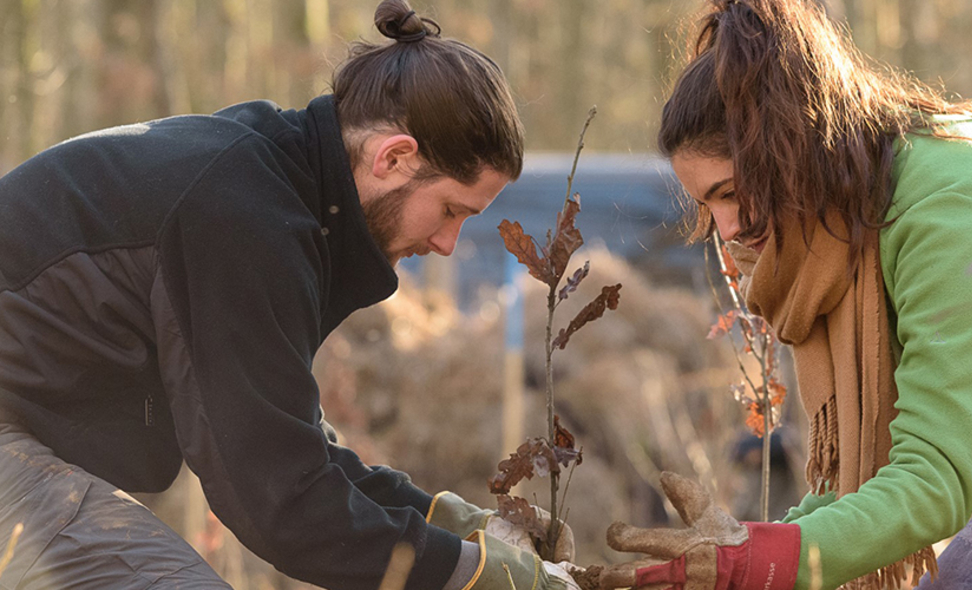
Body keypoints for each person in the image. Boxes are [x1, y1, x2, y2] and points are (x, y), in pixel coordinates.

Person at [599, 1, 972, 589]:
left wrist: (760, 563)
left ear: (786, 149)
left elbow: (931, 487)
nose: (725, 229)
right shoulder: (862, 202)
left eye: (730, 192)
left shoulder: (949, 213)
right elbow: (861, 488)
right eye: (707, 204)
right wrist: (745, 549)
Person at [0, 2, 578, 589]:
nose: (448, 243)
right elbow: (285, 505)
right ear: (394, 157)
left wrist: (462, 529)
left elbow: (288, 449)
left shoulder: (275, 186)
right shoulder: (240, 216)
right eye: (451, 210)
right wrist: (483, 577)